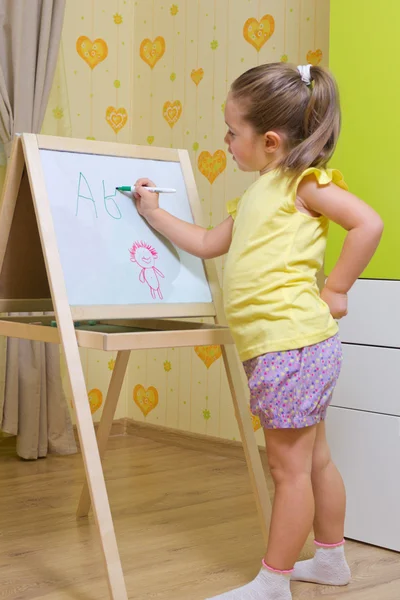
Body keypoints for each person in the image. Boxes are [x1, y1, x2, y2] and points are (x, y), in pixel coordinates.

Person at [132, 62, 384, 600]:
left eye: (231, 132)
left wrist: (337, 288)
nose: (225, 141)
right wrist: (153, 214)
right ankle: (332, 560)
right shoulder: (253, 197)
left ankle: (273, 583)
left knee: (287, 469)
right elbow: (203, 242)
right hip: (286, 348)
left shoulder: (303, 184)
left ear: (269, 141)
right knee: (312, 460)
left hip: (290, 345)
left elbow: (368, 222)